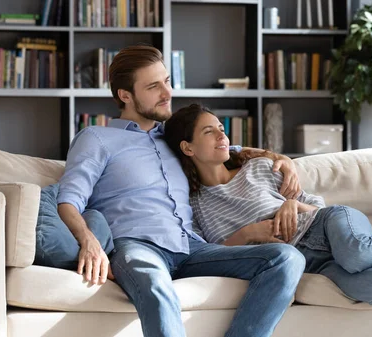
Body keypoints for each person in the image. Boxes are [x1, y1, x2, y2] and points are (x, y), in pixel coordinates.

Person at [56, 45, 307, 337]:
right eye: (153, 86)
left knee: (287, 258)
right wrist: (89, 241)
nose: (167, 93)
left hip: (191, 248)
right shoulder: (97, 139)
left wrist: (282, 160)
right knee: (155, 285)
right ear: (125, 95)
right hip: (137, 247)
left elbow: (230, 150)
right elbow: (68, 200)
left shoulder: (176, 139)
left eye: (167, 82)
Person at [163, 104, 372, 305]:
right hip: (310, 261)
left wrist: (290, 204)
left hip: (330, 227)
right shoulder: (194, 204)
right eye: (210, 132)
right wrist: (248, 233)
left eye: (221, 128)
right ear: (188, 148)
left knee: (356, 250)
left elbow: (319, 208)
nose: (222, 136)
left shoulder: (260, 167)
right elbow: (210, 253)